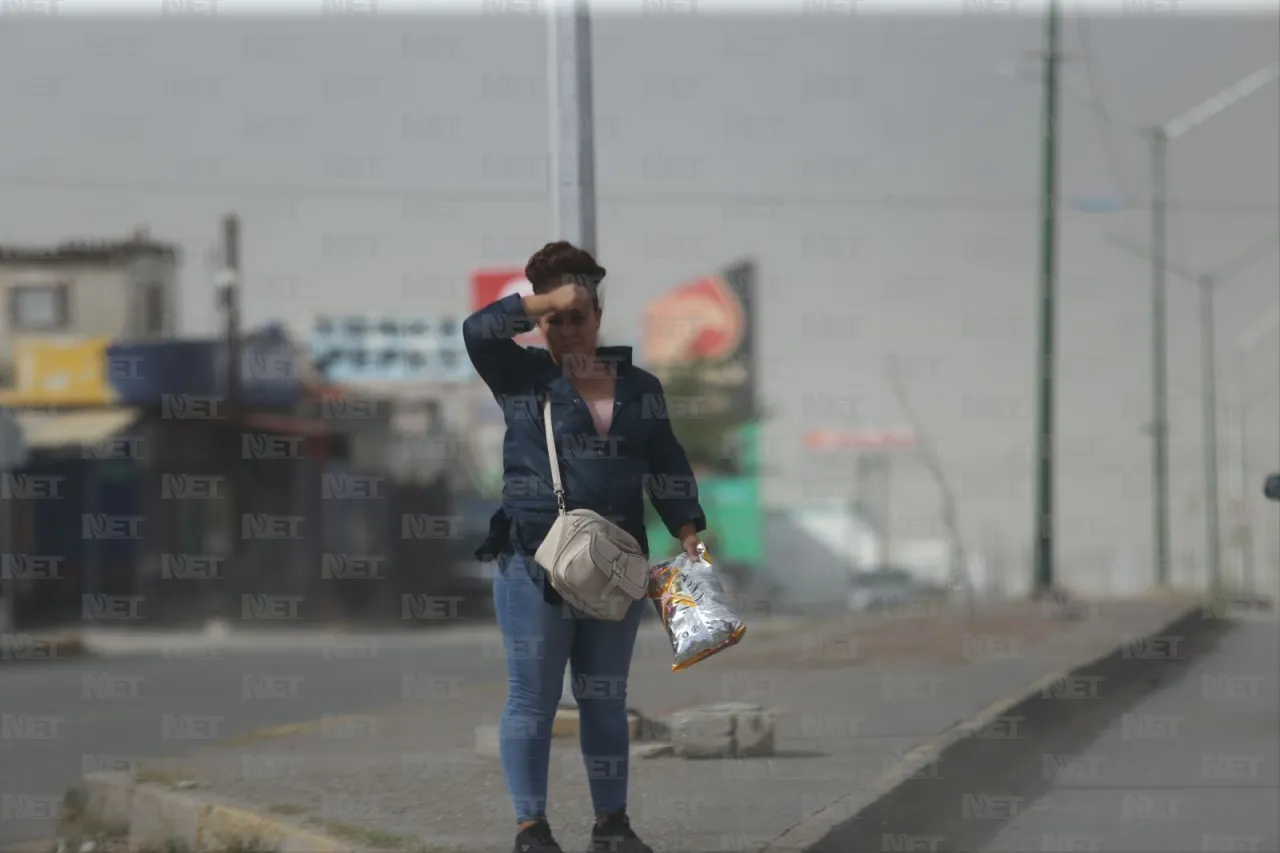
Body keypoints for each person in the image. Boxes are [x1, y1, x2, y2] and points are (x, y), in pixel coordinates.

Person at [464, 241, 706, 853]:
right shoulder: (521, 376)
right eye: (554, 320)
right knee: (534, 697)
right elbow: (478, 331)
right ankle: (531, 828)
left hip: (616, 567)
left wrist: (686, 527)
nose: (566, 330)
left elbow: (667, 461)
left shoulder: (639, 385)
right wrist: (543, 298)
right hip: (533, 563)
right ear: (540, 321)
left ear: (598, 317)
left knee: (605, 697)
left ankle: (611, 826)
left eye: (577, 316)